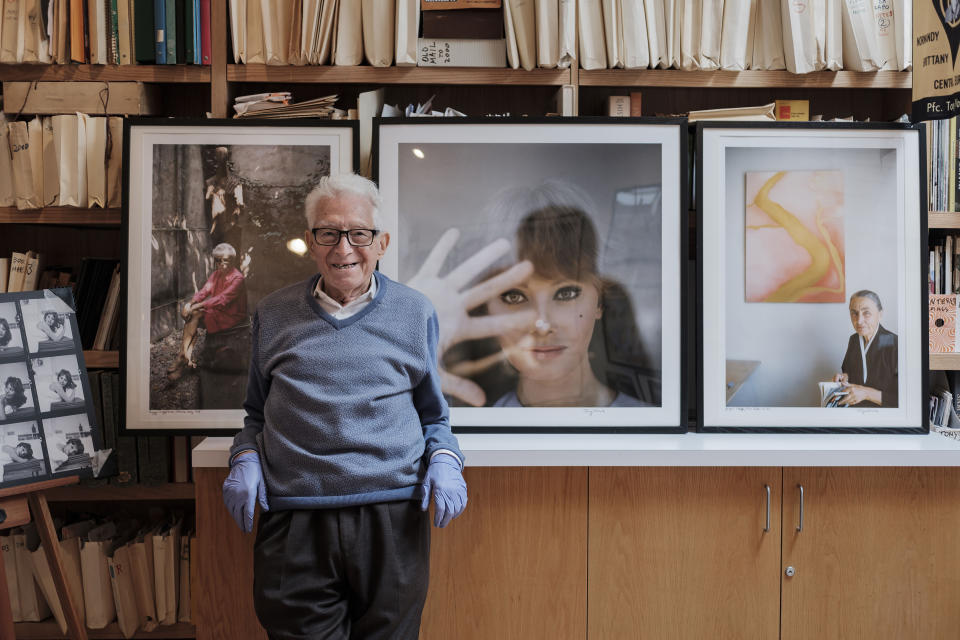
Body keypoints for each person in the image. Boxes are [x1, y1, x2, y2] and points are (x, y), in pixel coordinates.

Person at [222, 173, 467, 640]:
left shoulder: (415, 312)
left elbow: (434, 415)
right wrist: (246, 455)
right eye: (328, 233)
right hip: (294, 518)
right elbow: (255, 414)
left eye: (359, 233)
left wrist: (445, 458)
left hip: (392, 517)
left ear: (382, 243)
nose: (344, 248)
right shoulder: (273, 314)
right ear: (311, 242)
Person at [407, 181, 651, 408]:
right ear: (486, 306)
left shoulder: (652, 425)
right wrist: (406, 343)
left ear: (599, 300)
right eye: (513, 296)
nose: (542, 325)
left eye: (566, 293)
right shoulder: (458, 428)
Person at [168, 242, 247, 381]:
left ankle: (183, 358)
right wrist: (190, 303)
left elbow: (222, 299)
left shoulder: (238, 278)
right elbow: (204, 291)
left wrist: (197, 306)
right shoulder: (216, 274)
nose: (221, 264)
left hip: (231, 315)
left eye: (225, 260)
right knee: (193, 316)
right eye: (218, 261)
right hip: (218, 311)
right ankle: (184, 357)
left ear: (232, 261)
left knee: (195, 314)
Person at [832, 289, 898, 408]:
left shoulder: (895, 344)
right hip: (855, 413)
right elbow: (850, 373)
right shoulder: (854, 340)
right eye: (854, 313)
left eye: (866, 313)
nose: (859, 321)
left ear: (880, 314)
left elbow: (904, 400)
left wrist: (867, 393)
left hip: (884, 417)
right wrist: (844, 378)